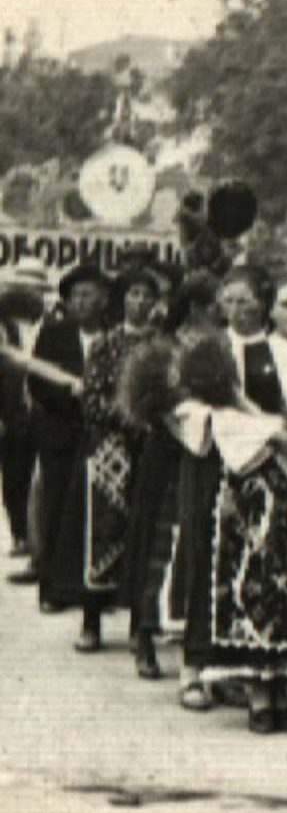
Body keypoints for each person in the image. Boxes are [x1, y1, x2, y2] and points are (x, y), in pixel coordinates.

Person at [178, 271, 287, 734]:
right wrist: (273, 436)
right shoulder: (244, 355)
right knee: (256, 579)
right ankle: (256, 692)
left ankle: (283, 689)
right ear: (271, 310)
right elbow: (224, 415)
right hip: (257, 481)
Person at [45, 263, 167, 652]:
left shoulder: (164, 347)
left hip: (150, 449)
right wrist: (128, 415)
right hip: (108, 449)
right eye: (134, 294)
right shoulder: (105, 344)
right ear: (122, 300)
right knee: (102, 531)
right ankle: (91, 620)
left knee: (143, 533)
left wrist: (153, 420)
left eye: (148, 296)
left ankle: (139, 626)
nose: (141, 302)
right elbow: (92, 400)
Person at [119, 271, 223, 683]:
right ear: (196, 308)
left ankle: (200, 649)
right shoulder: (164, 349)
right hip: (168, 458)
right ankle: (145, 634)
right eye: (216, 305)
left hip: (211, 454)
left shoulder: (221, 347)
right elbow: (154, 405)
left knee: (200, 548)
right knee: (160, 546)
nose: (222, 311)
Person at [29, 264, 114, 616]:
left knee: (96, 512)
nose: (80, 302)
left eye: (88, 294)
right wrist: (70, 395)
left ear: (104, 299)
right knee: (56, 509)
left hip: (103, 438)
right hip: (62, 435)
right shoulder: (54, 334)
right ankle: (52, 588)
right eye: (75, 296)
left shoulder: (113, 335)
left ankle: (93, 587)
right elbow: (37, 383)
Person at [0, 258, 51, 563]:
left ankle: (38, 538)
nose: (30, 293)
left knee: (40, 478)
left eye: (35, 289)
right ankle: (21, 534)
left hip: (44, 411)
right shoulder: (4, 325)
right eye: (25, 288)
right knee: (14, 474)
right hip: (13, 409)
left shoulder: (50, 324)